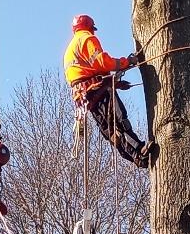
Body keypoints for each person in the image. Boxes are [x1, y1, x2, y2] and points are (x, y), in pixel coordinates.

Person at [63, 14, 152, 167]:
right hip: (96, 90)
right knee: (118, 120)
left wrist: (115, 84)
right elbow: (102, 63)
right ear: (90, 27)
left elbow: (85, 74)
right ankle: (138, 150)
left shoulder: (70, 48)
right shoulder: (86, 39)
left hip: (86, 97)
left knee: (108, 129)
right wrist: (127, 62)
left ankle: (135, 156)